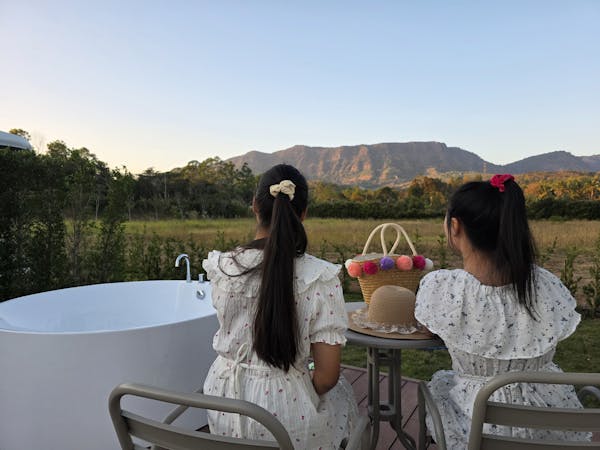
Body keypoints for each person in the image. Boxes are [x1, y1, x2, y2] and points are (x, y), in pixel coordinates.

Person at [414, 174, 589, 448]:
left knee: (435, 390)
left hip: (477, 424)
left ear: (455, 226)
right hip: (550, 424)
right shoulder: (545, 285)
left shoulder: (443, 288)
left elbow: (428, 327)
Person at [202, 164, 358, 449]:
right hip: (287, 418)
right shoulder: (318, 278)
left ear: (254, 206)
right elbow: (326, 377)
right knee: (345, 400)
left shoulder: (224, 267)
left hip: (223, 402)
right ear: (303, 214)